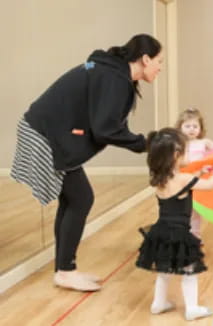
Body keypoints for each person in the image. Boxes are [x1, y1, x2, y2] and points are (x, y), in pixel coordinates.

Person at [10, 34, 163, 291]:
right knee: (81, 198)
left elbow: (103, 123)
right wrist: (145, 144)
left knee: (74, 199)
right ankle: (66, 271)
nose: (160, 67)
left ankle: (64, 269)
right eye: (159, 61)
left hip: (48, 132)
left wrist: (143, 143)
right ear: (145, 59)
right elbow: (106, 129)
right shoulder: (115, 78)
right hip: (45, 135)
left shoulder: (113, 74)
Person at [136, 128, 213, 321]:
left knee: (163, 270)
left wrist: (200, 171)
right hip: (179, 233)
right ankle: (192, 308)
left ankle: (158, 303)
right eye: (186, 152)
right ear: (176, 156)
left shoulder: (160, 179)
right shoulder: (183, 179)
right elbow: (211, 185)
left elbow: (186, 183)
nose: (188, 156)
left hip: (160, 230)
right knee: (189, 271)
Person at [175, 107, 213, 242]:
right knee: (182, 210)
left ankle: (195, 235)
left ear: (200, 128)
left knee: (195, 211)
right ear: (180, 127)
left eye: (195, 126)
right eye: (187, 126)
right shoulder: (179, 144)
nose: (191, 129)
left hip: (199, 182)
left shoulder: (204, 143)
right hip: (184, 181)